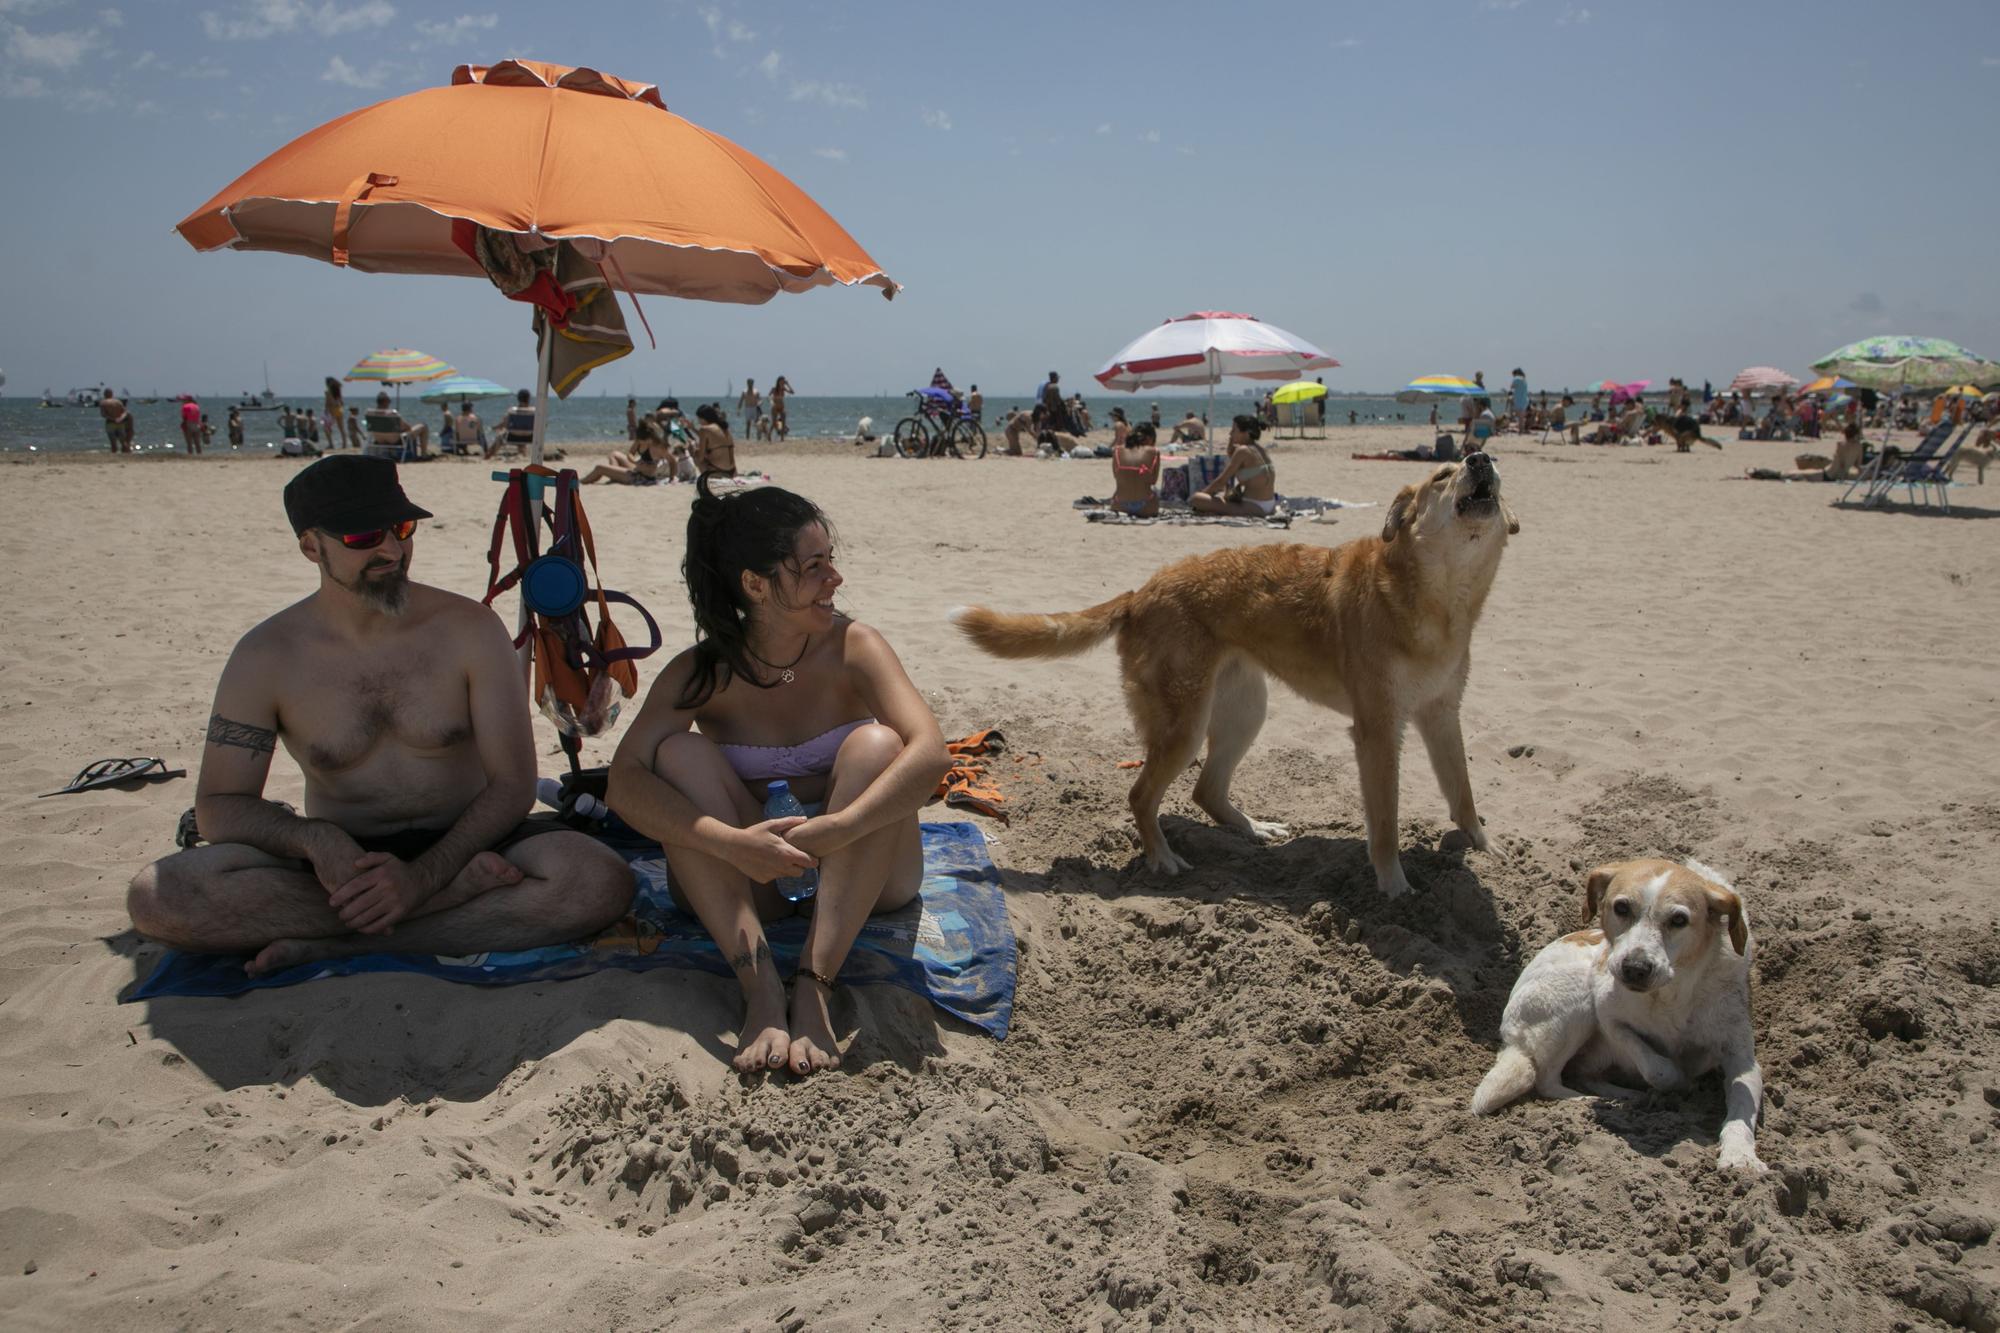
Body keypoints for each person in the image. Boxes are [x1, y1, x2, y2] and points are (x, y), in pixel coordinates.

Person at [125, 456, 633, 976]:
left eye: (402, 528)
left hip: (470, 840)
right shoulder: (266, 657)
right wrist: (315, 840)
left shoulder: (469, 630)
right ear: (310, 546)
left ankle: (343, 946)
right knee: (159, 898)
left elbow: (513, 785)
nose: (391, 549)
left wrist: (423, 879)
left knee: (598, 880)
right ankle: (435, 913)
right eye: (363, 537)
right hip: (341, 862)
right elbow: (219, 807)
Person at [606, 480, 951, 1075]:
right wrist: (729, 842)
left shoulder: (855, 646)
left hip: (867, 875)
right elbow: (623, 784)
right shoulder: (702, 672)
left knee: (879, 745)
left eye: (831, 562)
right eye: (813, 567)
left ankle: (814, 989)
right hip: (752, 878)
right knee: (678, 757)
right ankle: (762, 991)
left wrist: (839, 828)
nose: (834, 579)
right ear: (755, 585)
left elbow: (932, 756)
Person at [1190, 415, 1277, 517]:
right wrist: (1232, 440)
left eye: (1234, 430)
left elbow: (1221, 481)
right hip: (1270, 504)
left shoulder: (1243, 451)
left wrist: (1204, 493)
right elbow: (1232, 456)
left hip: (1253, 507)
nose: (1230, 433)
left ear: (1246, 433)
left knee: (1196, 499)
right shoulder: (1260, 450)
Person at [1109, 420, 1162, 517]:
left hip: (1119, 504)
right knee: (1155, 491)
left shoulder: (1117, 450)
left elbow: (1116, 476)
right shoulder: (1154, 452)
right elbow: (1153, 481)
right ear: (1150, 438)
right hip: (1147, 506)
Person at [366, 392, 430, 459]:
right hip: (395, 441)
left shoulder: (370, 414)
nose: (389, 403)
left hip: (379, 440)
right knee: (423, 426)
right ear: (385, 402)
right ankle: (423, 455)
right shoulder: (392, 414)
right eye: (389, 401)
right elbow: (408, 428)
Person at [695, 403, 737, 478]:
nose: (698, 422)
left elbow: (700, 458)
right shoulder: (723, 427)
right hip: (732, 472)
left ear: (703, 418)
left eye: (699, 419)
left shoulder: (704, 429)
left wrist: (693, 450)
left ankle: (707, 478)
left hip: (718, 472)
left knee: (695, 454)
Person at [498, 389, 536, 458]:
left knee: (499, 436)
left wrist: (494, 427)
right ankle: (523, 454)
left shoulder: (512, 410)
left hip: (513, 437)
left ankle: (488, 456)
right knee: (523, 431)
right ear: (528, 398)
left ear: (518, 398)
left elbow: (504, 424)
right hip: (530, 438)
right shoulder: (534, 411)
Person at [98, 390, 134, 454]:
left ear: (104, 395)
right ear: (112, 394)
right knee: (123, 441)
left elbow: (103, 414)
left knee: (113, 442)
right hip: (120, 423)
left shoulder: (103, 402)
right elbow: (125, 412)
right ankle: (127, 455)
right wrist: (120, 418)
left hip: (110, 423)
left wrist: (113, 419)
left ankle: (114, 455)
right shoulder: (118, 402)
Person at [325, 378, 355, 450]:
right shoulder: (338, 390)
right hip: (339, 410)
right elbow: (341, 402)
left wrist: (326, 410)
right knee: (341, 429)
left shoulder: (328, 392)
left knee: (327, 428)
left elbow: (328, 403)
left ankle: (331, 444)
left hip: (332, 411)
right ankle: (344, 444)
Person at [770, 376, 793, 440]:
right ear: (778, 381)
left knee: (783, 422)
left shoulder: (783, 389)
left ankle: (782, 438)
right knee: (774, 423)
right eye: (782, 381)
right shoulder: (774, 389)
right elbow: (769, 396)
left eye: (784, 381)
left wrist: (788, 384)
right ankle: (769, 434)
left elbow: (792, 392)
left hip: (782, 407)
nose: (783, 382)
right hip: (775, 407)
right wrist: (772, 401)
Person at [1510, 369, 1530, 433]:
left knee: (1519, 417)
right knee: (1521, 417)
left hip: (1519, 400)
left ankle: (1521, 431)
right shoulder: (1524, 379)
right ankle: (1521, 430)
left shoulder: (1516, 378)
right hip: (1524, 400)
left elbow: (1512, 386)